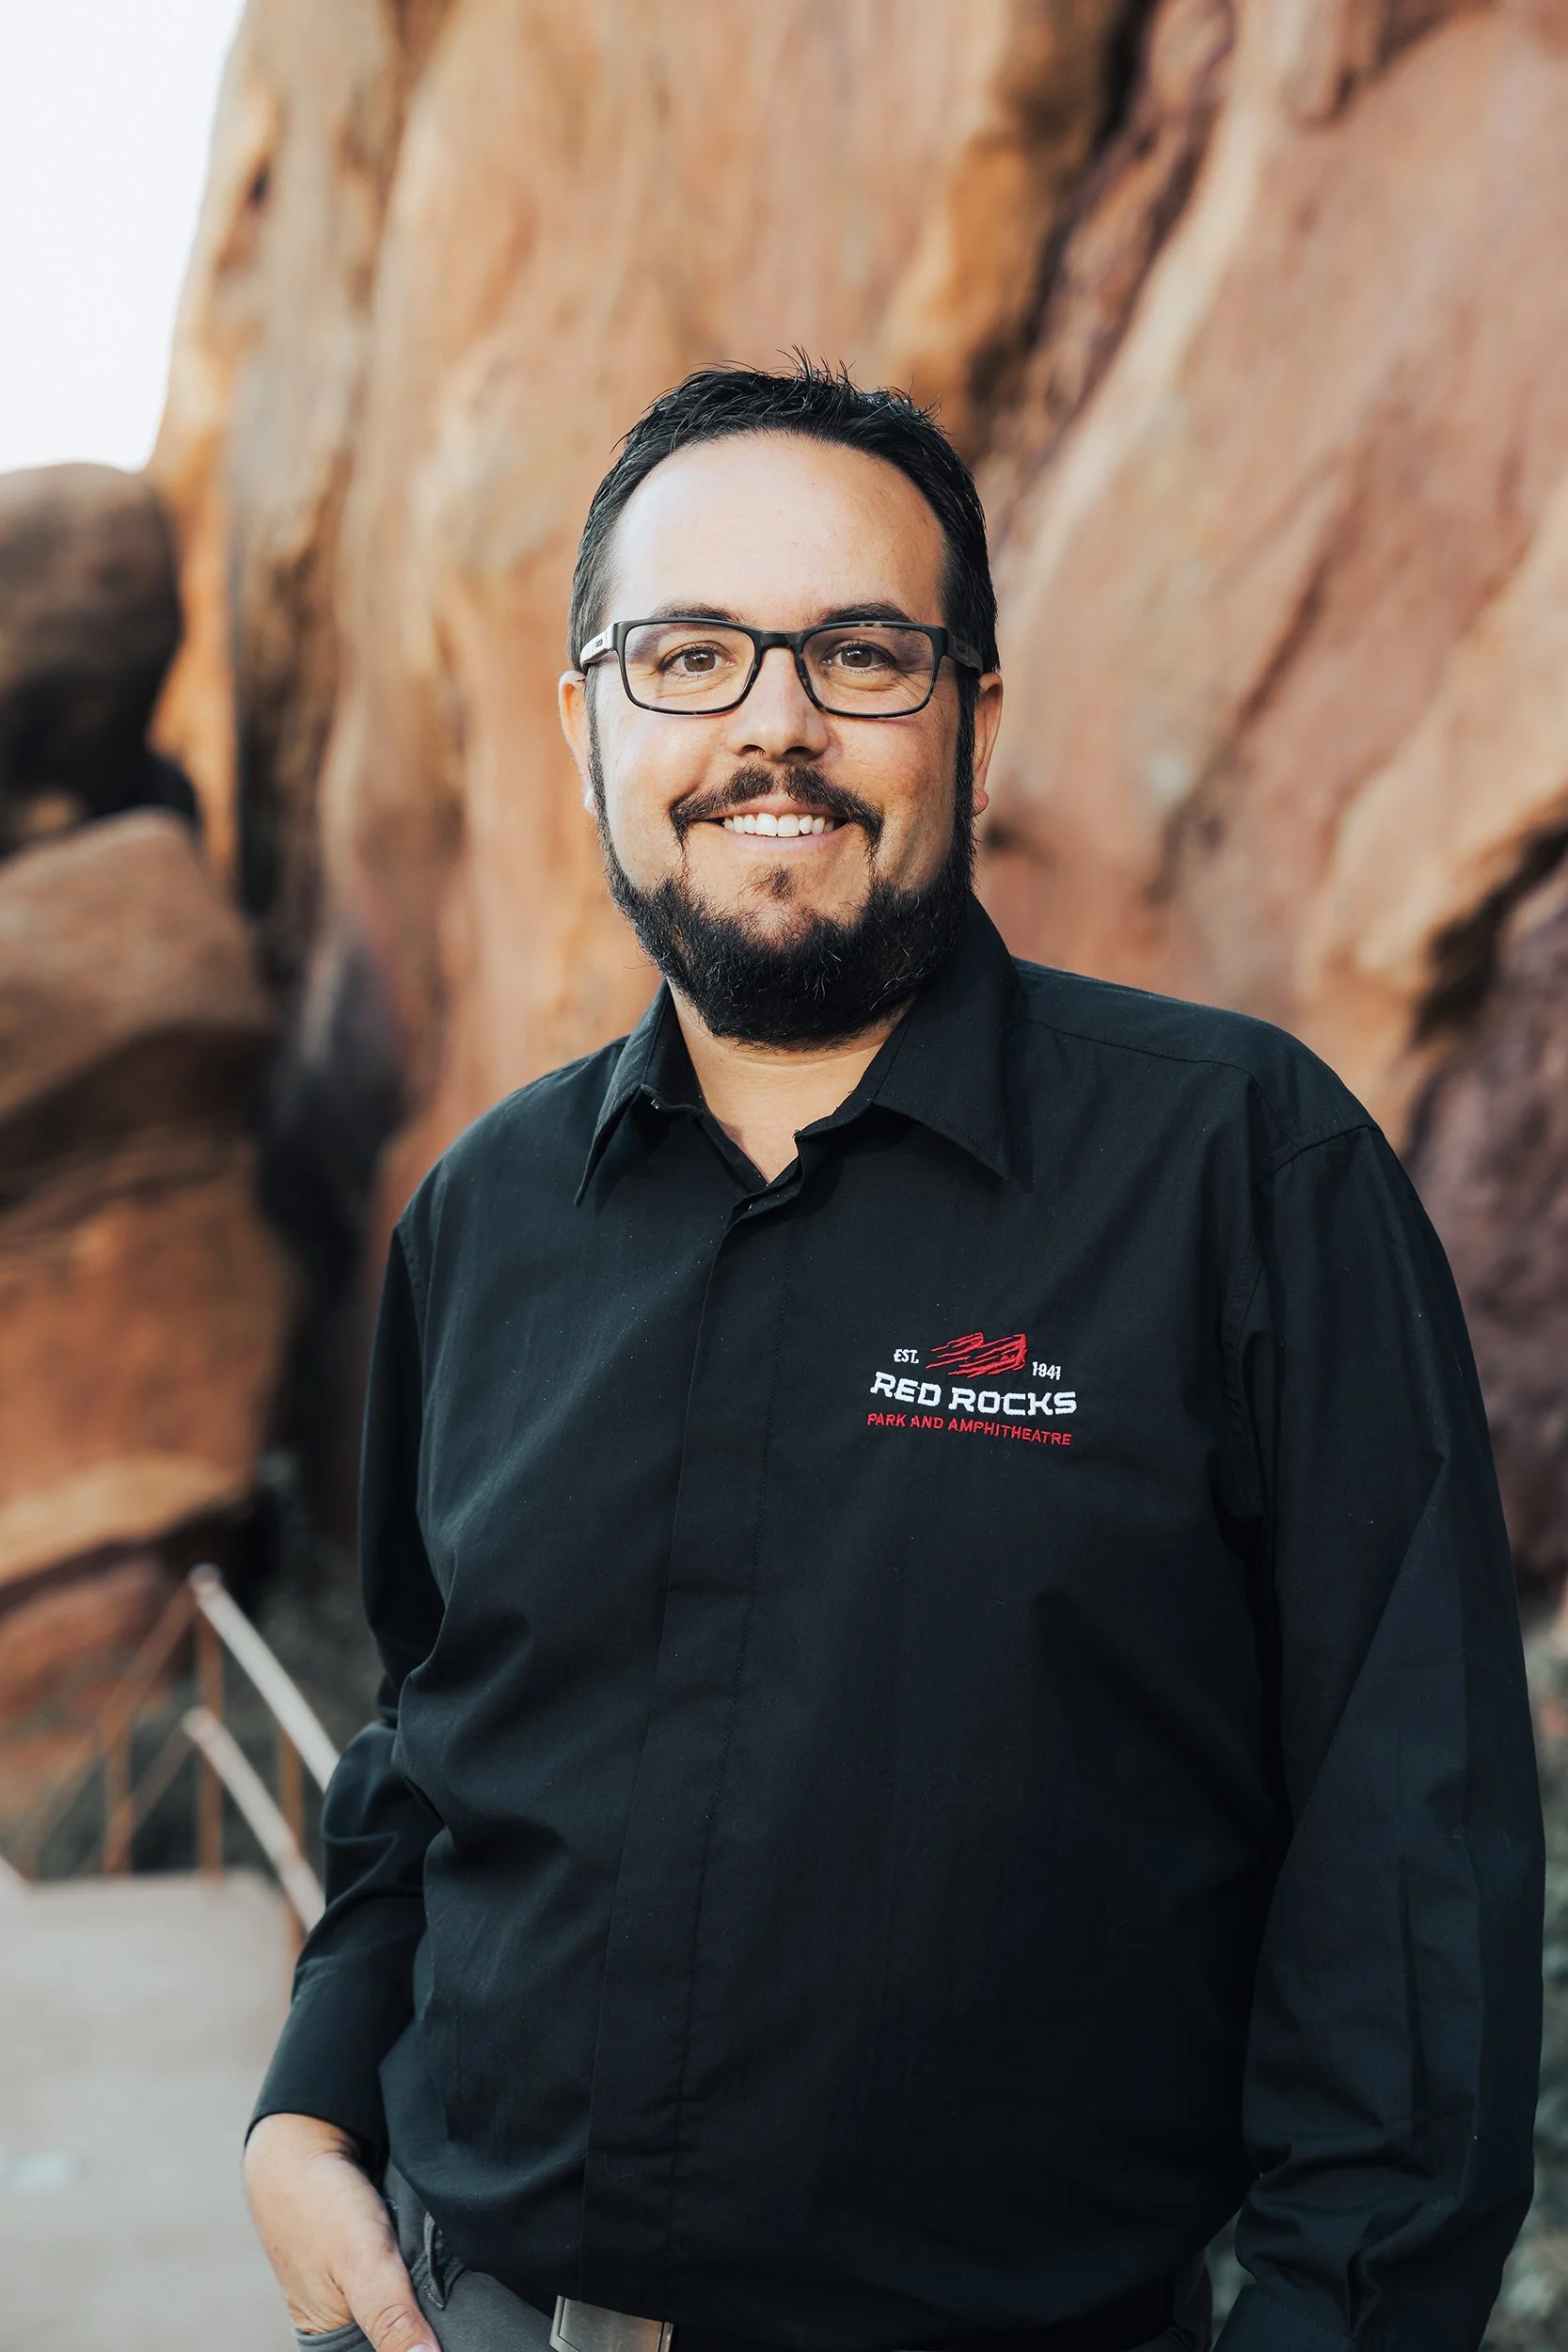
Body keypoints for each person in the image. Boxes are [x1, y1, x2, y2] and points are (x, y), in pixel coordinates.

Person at [244, 361, 1544, 2352]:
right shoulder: (480, 1220)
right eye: (686, 653)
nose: (771, 718)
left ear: (972, 718)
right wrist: (307, 2100)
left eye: (855, 649)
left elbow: (1405, 1882)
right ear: (584, 718)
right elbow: (427, 1747)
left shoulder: (1240, 1173)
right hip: (458, 2304)